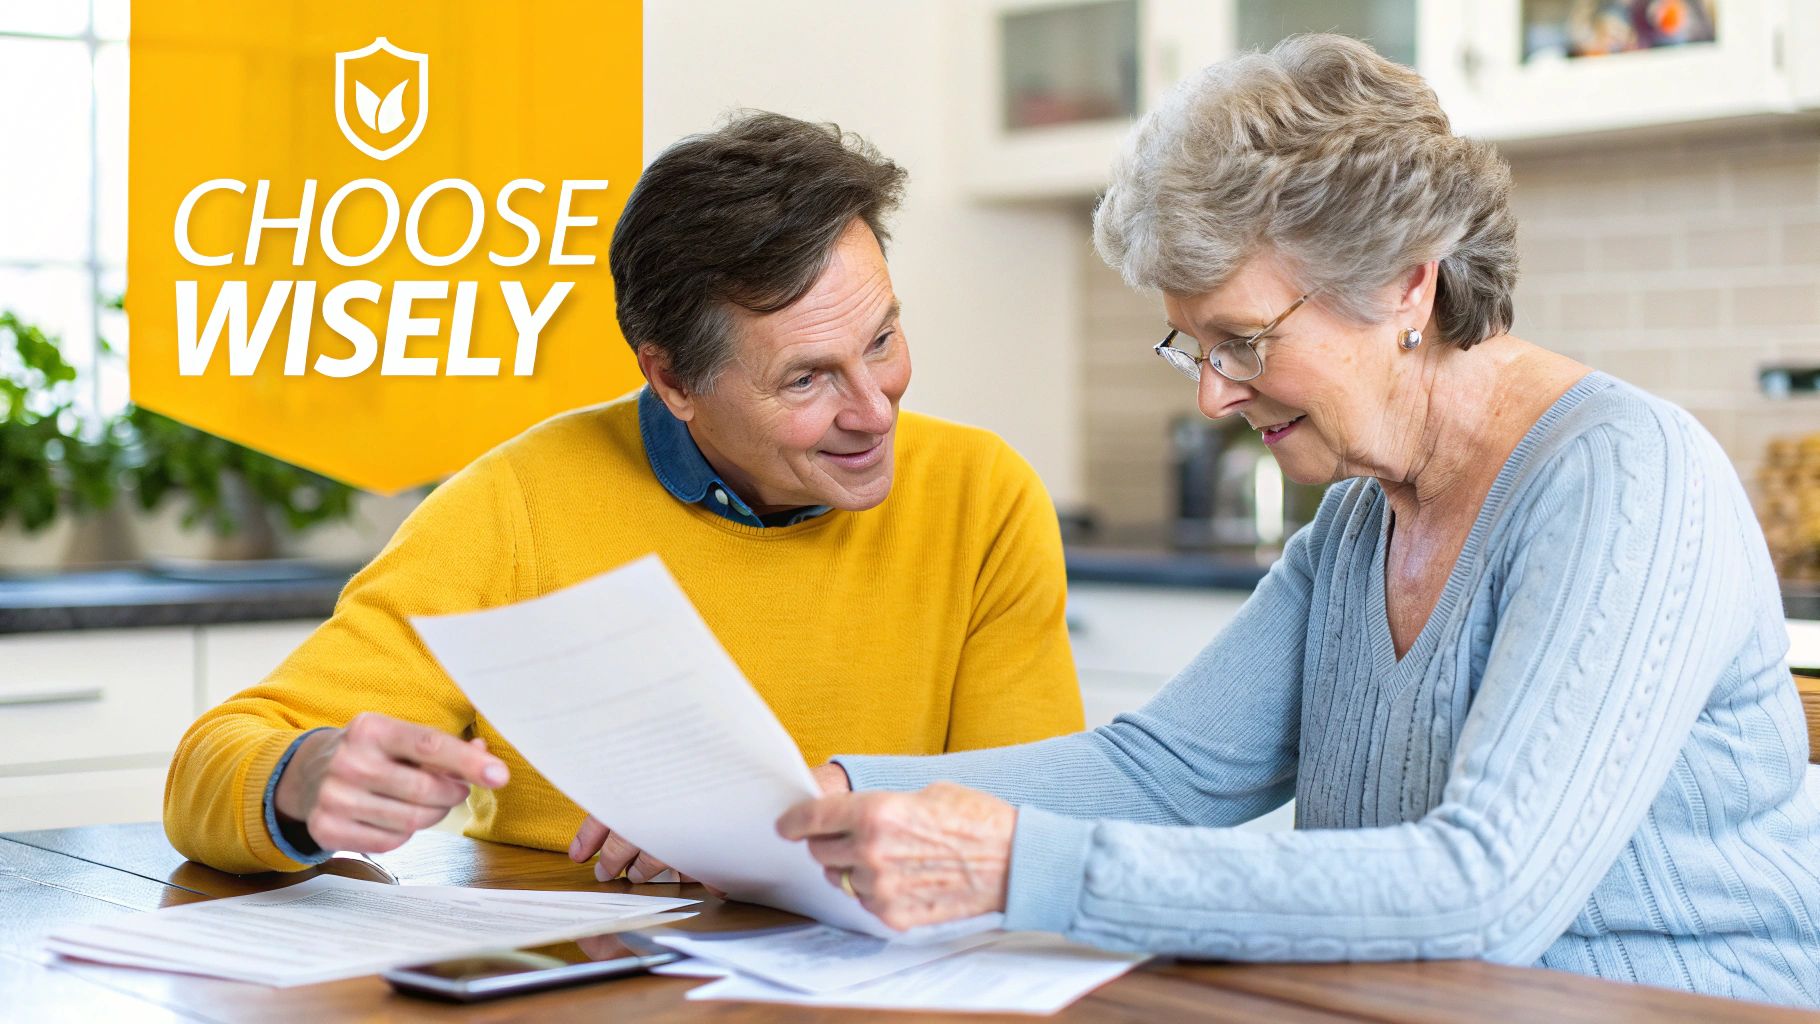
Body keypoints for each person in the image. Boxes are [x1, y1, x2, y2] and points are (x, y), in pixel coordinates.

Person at [778, 35, 1820, 1007]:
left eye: (1241, 340)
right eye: (1193, 347)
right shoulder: (1361, 522)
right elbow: (1167, 770)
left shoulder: (1622, 476)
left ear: (1406, 282)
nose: (1213, 396)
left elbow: (1486, 890)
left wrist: (1014, 866)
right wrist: (830, 797)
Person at [164, 111, 1083, 877]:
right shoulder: (516, 506)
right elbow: (212, 766)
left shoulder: (982, 494)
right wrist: (302, 775)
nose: (873, 411)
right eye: (806, 380)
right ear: (674, 379)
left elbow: (1039, 805)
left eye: (881, 341)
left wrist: (765, 828)